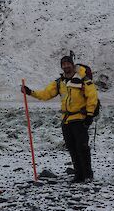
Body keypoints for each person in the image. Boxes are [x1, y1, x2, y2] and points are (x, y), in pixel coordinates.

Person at [21, 55, 99, 183]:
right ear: (61, 66)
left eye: (68, 63)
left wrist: (89, 115)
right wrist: (30, 92)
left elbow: (92, 96)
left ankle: (87, 174)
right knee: (72, 148)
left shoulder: (83, 80)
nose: (66, 66)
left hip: (80, 118)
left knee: (82, 147)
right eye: (63, 64)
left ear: (73, 65)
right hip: (67, 120)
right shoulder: (60, 82)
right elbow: (46, 94)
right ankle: (79, 175)